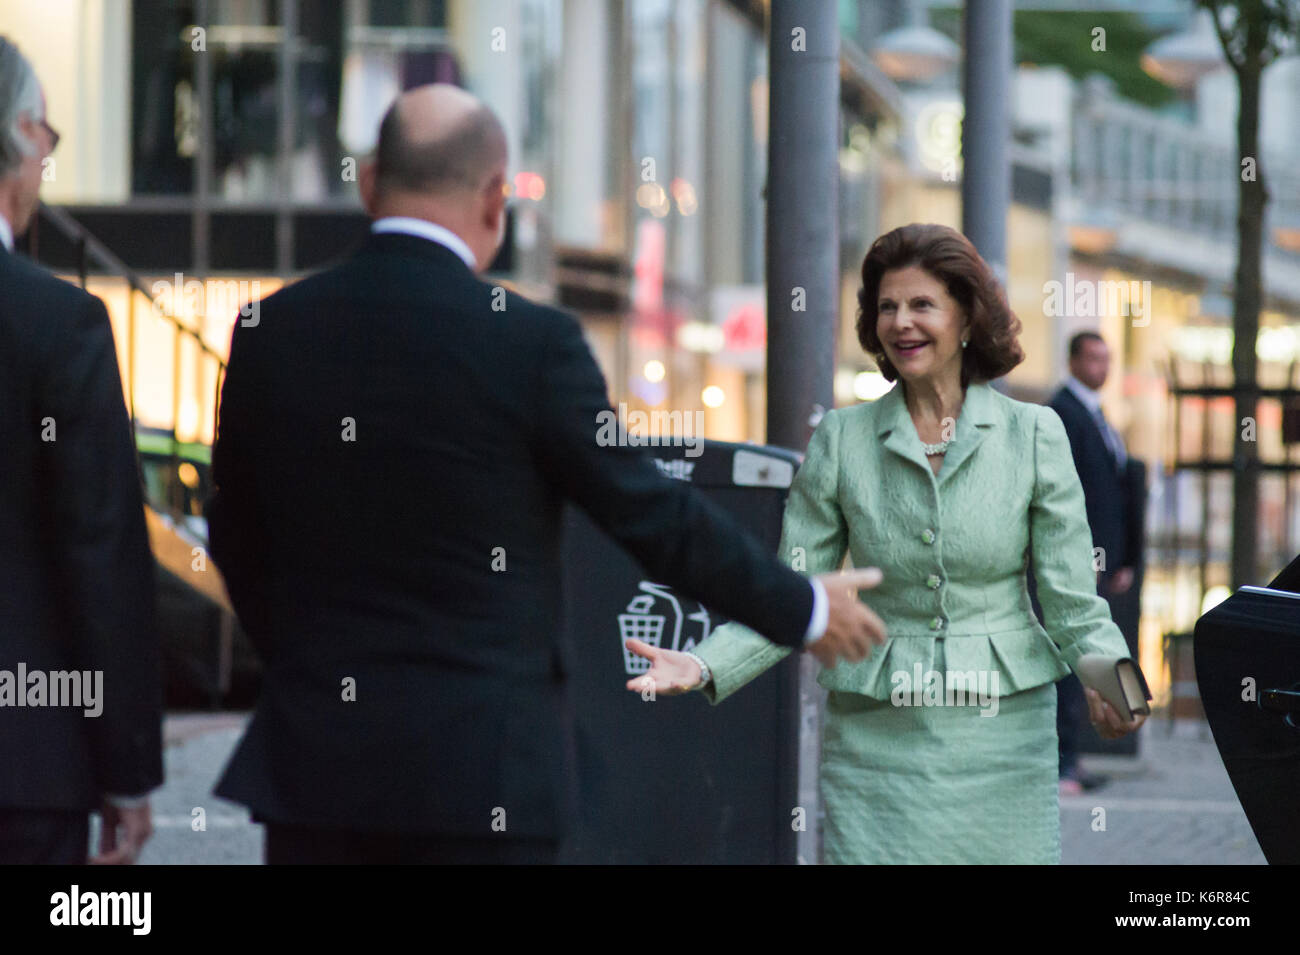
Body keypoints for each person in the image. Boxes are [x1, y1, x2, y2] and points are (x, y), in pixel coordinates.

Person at [207, 83, 885, 865]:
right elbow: (649, 511)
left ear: (368, 182)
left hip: (316, 772)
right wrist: (799, 606)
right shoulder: (531, 345)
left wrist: (304, 659)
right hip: (486, 776)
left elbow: (236, 532)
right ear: (497, 198)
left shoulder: (269, 332)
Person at [628, 223, 1145, 864]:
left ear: (965, 318)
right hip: (877, 748)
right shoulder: (843, 439)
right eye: (888, 307)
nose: (902, 322)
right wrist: (705, 664)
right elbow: (792, 589)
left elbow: (1072, 600)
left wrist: (1118, 684)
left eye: (922, 304)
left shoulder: (1034, 433)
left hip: (1003, 742)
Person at [0, 37, 162, 865]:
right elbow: (99, 553)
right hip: (24, 767)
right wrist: (126, 770)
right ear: (22, 136)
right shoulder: (58, 325)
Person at [1046, 332, 1146, 796]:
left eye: (1107, 359)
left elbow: (1116, 490)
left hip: (1100, 561)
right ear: (1073, 360)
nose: (1101, 367)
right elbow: (1073, 496)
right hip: (1075, 560)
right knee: (1071, 659)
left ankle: (1072, 759)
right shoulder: (1063, 413)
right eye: (1093, 358)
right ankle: (1063, 762)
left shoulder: (1099, 416)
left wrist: (1122, 557)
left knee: (1082, 656)